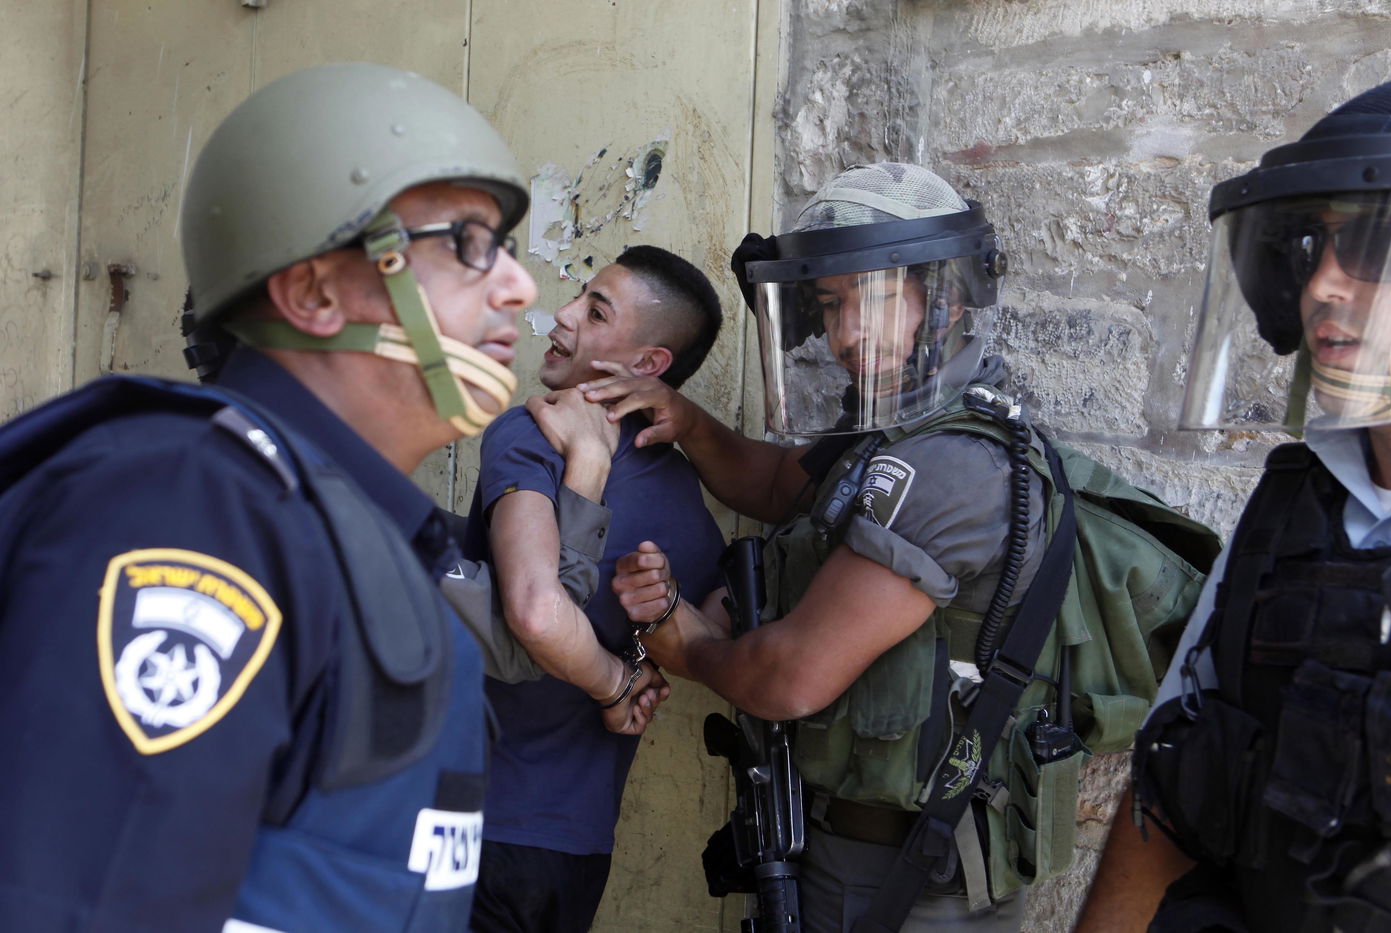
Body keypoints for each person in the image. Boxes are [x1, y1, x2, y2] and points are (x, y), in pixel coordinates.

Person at [0, 62, 657, 933]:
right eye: (467, 244)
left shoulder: (360, 532)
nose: (519, 286)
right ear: (313, 292)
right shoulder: (195, 506)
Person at [589, 162, 1049, 931]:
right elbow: (781, 486)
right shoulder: (896, 423)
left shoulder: (951, 466)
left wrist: (687, 643)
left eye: (874, 297)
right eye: (832, 305)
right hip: (857, 840)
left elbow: (790, 678)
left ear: (944, 301)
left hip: (912, 869)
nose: (846, 333)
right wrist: (687, 421)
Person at [1075, 79, 1391, 933]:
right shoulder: (1292, 513)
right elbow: (1175, 783)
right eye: (1309, 246)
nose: (1323, 284)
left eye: (1372, 244)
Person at [463, 245, 727, 933]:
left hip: (478, 828)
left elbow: (535, 610)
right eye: (580, 294)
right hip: (579, 849)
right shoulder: (683, 492)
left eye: (597, 311)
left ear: (648, 363)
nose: (564, 313)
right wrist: (652, 652)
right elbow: (717, 633)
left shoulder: (532, 433)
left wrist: (617, 681)